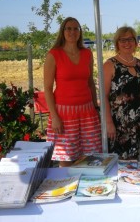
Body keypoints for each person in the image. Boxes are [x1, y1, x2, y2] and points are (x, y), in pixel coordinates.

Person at [43, 17, 102, 167]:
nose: (72, 32)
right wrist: (54, 116)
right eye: (68, 28)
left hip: (87, 111)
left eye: (76, 28)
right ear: (62, 32)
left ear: (80, 32)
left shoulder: (87, 53)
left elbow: (90, 82)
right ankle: (68, 187)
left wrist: (95, 107)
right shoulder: (54, 55)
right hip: (64, 114)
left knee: (89, 156)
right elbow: (48, 88)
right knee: (67, 158)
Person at [103, 26, 140, 159]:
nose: (127, 43)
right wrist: (109, 123)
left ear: (136, 42)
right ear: (117, 43)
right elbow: (104, 96)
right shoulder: (109, 65)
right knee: (122, 167)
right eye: (122, 40)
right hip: (120, 126)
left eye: (130, 39)